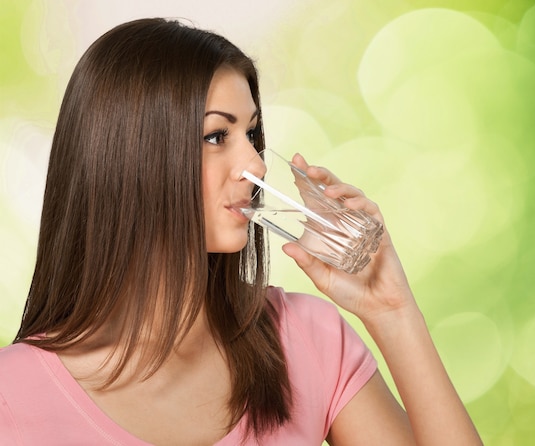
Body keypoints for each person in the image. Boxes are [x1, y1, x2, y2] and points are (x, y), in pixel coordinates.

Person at [0, 18, 482, 445]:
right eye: (216, 136)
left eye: (252, 134)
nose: (254, 163)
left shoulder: (306, 341)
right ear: (131, 157)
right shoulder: (13, 395)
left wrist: (393, 312)